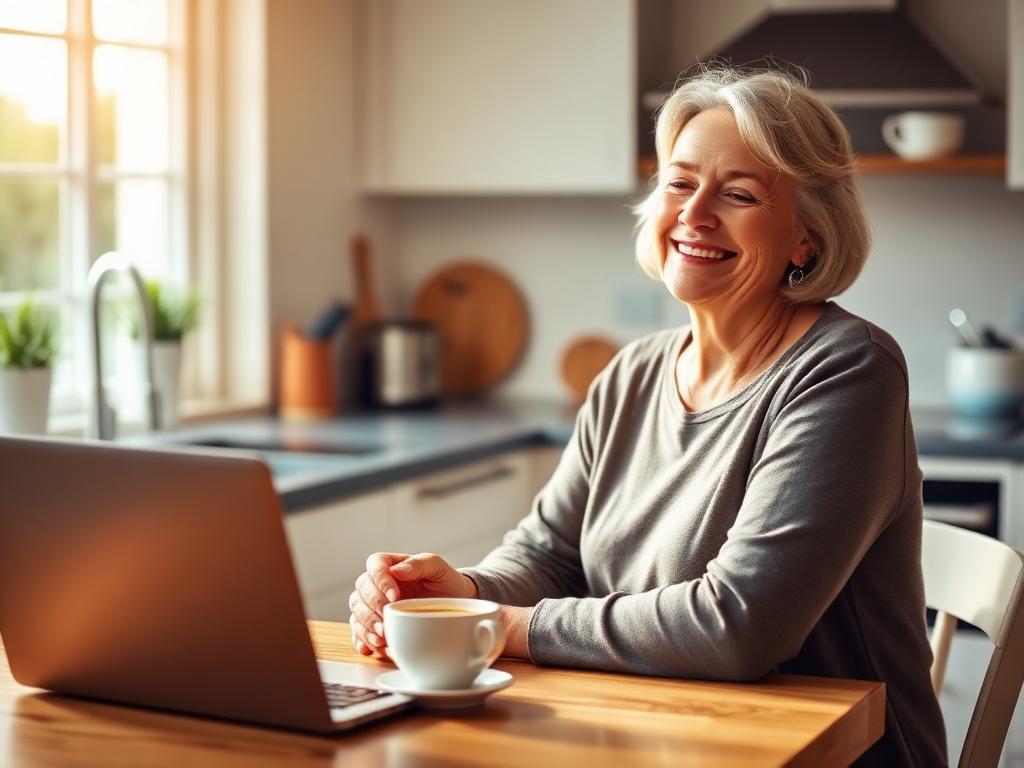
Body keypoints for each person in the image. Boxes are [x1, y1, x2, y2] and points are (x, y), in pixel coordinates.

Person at [347, 65, 947, 766]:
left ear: (806, 238)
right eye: (680, 183)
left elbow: (735, 627)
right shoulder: (632, 373)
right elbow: (549, 552)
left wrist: (493, 624)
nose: (694, 215)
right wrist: (461, 593)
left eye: (740, 194)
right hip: (659, 733)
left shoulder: (847, 369)